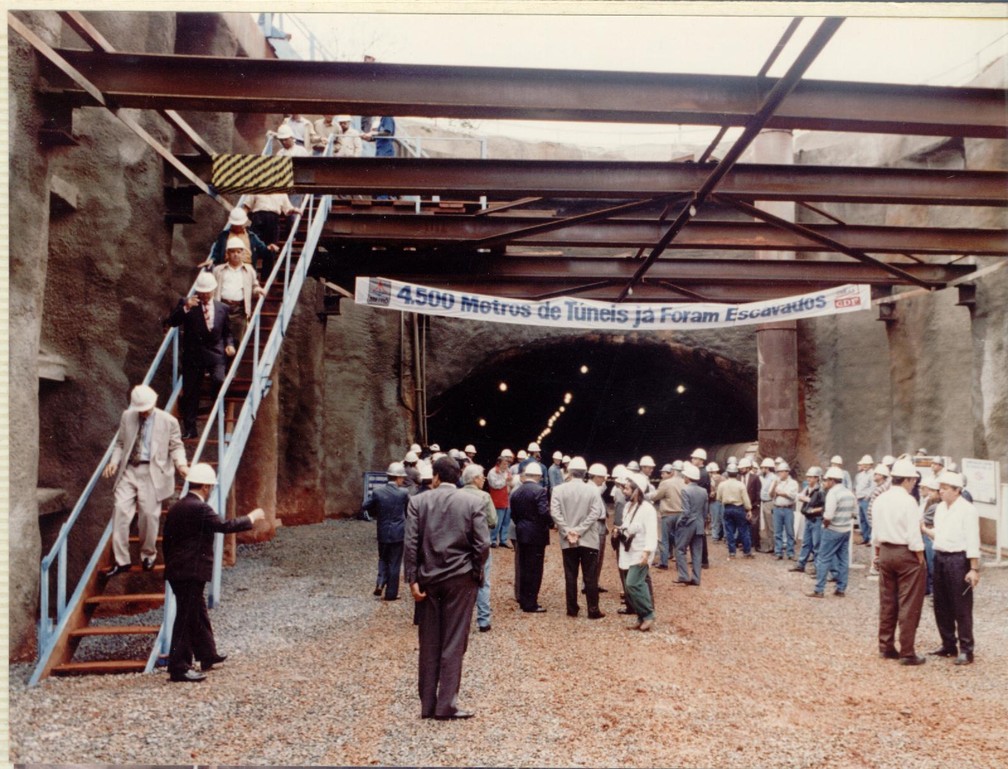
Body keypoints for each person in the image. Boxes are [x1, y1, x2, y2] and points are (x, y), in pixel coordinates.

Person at [404, 455, 490, 719]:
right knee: (454, 641)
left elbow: (411, 543)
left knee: (429, 642)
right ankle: (446, 705)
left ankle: (427, 705)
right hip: (461, 579)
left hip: (428, 580)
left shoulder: (418, 502)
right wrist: (476, 573)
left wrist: (412, 579)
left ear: (437, 477)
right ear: (458, 477)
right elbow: (483, 544)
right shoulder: (473, 502)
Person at [162, 462, 264, 682]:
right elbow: (224, 526)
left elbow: (167, 542)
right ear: (207, 488)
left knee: (196, 611)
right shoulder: (200, 508)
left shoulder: (177, 507)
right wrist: (252, 518)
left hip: (178, 570)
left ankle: (207, 654)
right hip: (191, 571)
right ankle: (179, 667)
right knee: (187, 616)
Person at [102, 384, 189, 576]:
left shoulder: (169, 421)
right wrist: (114, 462)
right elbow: (120, 443)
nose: (143, 413)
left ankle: (148, 555)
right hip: (129, 469)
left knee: (149, 515)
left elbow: (176, 446)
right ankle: (121, 560)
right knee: (120, 511)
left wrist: (181, 465)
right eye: (139, 410)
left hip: (153, 472)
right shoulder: (127, 416)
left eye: (146, 409)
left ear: (154, 403)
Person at [166, 271, 235, 439]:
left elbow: (228, 332)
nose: (204, 295)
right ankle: (190, 429)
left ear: (213, 290)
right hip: (193, 354)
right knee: (190, 391)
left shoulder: (223, 308)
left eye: (207, 292)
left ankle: (217, 405)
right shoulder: (187, 303)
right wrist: (186, 307)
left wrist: (229, 345)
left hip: (215, 352)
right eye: (201, 292)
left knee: (219, 379)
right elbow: (172, 322)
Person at [871, 458, 927, 665]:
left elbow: (875, 531)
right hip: (906, 553)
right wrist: (920, 557)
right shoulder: (908, 501)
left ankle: (885, 646)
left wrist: (877, 554)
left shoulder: (880, 499)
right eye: (913, 480)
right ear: (908, 480)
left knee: (887, 601)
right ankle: (907, 652)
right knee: (909, 602)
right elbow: (914, 534)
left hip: (885, 551)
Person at [924, 470, 981, 665]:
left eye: (946, 488)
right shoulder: (940, 508)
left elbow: (973, 540)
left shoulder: (967, 510)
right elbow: (939, 534)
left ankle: (966, 649)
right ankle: (948, 644)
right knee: (941, 603)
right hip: (940, 557)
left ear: (957, 490)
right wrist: (924, 530)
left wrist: (973, 568)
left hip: (959, 559)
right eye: (940, 488)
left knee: (961, 605)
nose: (941, 491)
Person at [550, 457, 606, 619]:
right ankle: (593, 609)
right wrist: (580, 531)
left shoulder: (559, 490)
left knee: (570, 574)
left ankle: (572, 608)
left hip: (568, 539)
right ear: (585, 473)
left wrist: (568, 531)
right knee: (590, 575)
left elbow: (555, 513)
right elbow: (595, 513)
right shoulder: (593, 490)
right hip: (589, 538)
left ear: (569, 471)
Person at [615, 472, 658, 631]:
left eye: (627, 488)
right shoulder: (628, 506)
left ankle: (648, 615)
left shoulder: (648, 509)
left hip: (641, 551)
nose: (624, 491)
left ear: (637, 491)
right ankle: (641, 617)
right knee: (630, 587)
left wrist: (647, 552)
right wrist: (619, 531)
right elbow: (628, 525)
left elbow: (652, 532)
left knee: (633, 583)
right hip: (629, 550)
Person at [509, 461, 551, 613]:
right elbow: (543, 512)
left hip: (521, 531)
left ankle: (523, 600)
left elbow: (513, 514)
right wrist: (550, 523)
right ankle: (531, 603)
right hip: (536, 534)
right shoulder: (540, 491)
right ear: (539, 476)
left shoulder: (516, 492)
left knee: (524, 567)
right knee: (535, 569)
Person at [459, 464, 497, 632]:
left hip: (459, 544)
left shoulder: (455, 495)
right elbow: (493, 522)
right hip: (480, 544)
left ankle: (461, 619)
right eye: (482, 476)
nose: (484, 479)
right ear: (475, 479)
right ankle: (483, 620)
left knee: (461, 582)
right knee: (483, 581)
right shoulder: (485, 497)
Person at [365, 462, 410, 601]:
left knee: (383, 558)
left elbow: (365, 506)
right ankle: (391, 593)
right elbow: (408, 511)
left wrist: (377, 512)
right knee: (395, 563)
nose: (403, 480)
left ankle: (380, 582)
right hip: (398, 532)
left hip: (383, 531)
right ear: (397, 478)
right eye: (402, 478)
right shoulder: (403, 493)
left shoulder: (378, 492)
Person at [809, 466, 855, 597]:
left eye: (826, 480)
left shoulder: (832, 494)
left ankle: (819, 589)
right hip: (846, 530)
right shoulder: (849, 493)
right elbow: (854, 513)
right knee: (843, 560)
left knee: (824, 558)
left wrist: (825, 525)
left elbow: (828, 516)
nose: (825, 482)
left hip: (833, 530)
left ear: (832, 480)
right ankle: (841, 589)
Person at [212, 237, 265, 348]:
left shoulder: (249, 270)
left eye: (238, 251)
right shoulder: (218, 270)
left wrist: (258, 290)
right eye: (232, 251)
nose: (235, 254)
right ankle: (223, 364)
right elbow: (212, 289)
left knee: (237, 341)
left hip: (239, 310)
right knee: (219, 340)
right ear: (227, 253)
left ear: (243, 253)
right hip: (222, 307)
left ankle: (232, 364)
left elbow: (254, 286)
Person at [243, 193, 299, 278]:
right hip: (258, 218)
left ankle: (265, 279)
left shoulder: (281, 193)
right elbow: (246, 207)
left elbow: (288, 209)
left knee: (271, 251)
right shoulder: (257, 188)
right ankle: (250, 276)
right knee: (252, 248)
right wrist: (239, 220)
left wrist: (295, 210)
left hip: (273, 220)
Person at [202, 207, 277, 270]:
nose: (238, 226)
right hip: (228, 268)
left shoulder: (251, 236)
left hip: (247, 268)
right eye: (236, 225)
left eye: (240, 224)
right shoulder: (224, 236)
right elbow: (216, 251)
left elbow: (263, 249)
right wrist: (211, 260)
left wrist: (269, 248)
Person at [676, 463, 707, 586]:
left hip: (688, 523)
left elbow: (686, 511)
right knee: (697, 552)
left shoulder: (685, 490)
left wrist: (680, 522)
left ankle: (683, 575)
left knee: (680, 549)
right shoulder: (704, 491)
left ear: (688, 477)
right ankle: (696, 578)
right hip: (699, 523)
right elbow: (705, 511)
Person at [791, 467, 825, 573]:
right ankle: (801, 565)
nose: (809, 479)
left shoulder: (820, 491)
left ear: (817, 478)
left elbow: (824, 506)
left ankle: (818, 568)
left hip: (816, 519)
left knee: (817, 545)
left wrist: (812, 509)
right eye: (808, 477)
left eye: (811, 477)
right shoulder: (808, 489)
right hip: (808, 519)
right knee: (806, 543)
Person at [716, 463, 753, 559]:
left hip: (727, 508)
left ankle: (732, 552)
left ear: (727, 473)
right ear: (737, 474)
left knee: (729, 531)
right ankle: (747, 552)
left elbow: (718, 498)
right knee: (743, 530)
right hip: (739, 508)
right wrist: (748, 509)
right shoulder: (741, 485)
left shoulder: (722, 485)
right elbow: (745, 499)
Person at [651, 462, 684, 569]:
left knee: (664, 539)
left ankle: (664, 562)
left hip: (668, 514)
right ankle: (680, 563)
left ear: (673, 471)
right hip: (681, 514)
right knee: (679, 539)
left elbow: (656, 496)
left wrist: (648, 495)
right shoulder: (685, 482)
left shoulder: (666, 483)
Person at [768, 462, 799, 560]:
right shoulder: (776, 482)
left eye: (781, 472)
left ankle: (790, 552)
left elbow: (792, 496)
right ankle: (778, 552)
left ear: (787, 472)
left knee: (790, 531)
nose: (779, 474)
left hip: (788, 509)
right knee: (777, 531)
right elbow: (771, 495)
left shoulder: (793, 483)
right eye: (778, 472)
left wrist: (781, 493)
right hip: (777, 508)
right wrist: (774, 487)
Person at [486, 453, 512, 548]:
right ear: (498, 463)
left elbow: (510, 483)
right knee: (497, 521)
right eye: (504, 464)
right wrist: (506, 480)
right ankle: (492, 540)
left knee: (506, 521)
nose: (506, 466)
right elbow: (495, 485)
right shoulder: (493, 472)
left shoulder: (507, 471)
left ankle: (503, 540)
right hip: (497, 499)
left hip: (506, 498)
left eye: (507, 464)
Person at [854, 454, 875, 545]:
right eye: (864, 464)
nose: (865, 466)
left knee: (868, 519)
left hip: (866, 499)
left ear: (871, 465)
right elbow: (858, 486)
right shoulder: (861, 475)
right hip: (860, 499)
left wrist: (868, 496)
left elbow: (872, 487)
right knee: (862, 519)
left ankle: (871, 538)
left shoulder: (872, 474)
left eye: (867, 464)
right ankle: (865, 537)